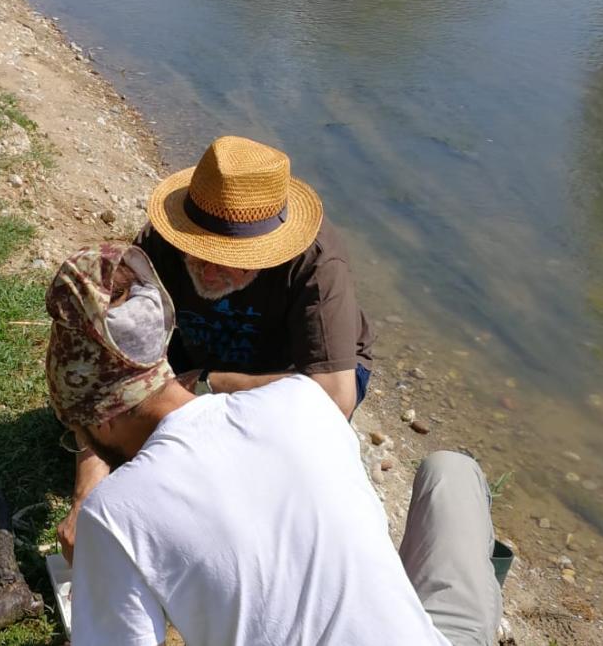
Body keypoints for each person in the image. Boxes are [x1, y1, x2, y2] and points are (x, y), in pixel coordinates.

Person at [46, 243, 503, 646]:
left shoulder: (114, 515)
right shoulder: (304, 401)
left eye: (77, 434)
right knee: (451, 470)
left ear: (100, 420)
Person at [59, 134, 375, 558]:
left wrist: (216, 383)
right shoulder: (158, 243)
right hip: (196, 357)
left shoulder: (315, 262)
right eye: (198, 248)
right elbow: (102, 364)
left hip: (295, 378)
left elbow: (335, 398)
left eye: (231, 256)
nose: (209, 269)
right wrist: (88, 493)